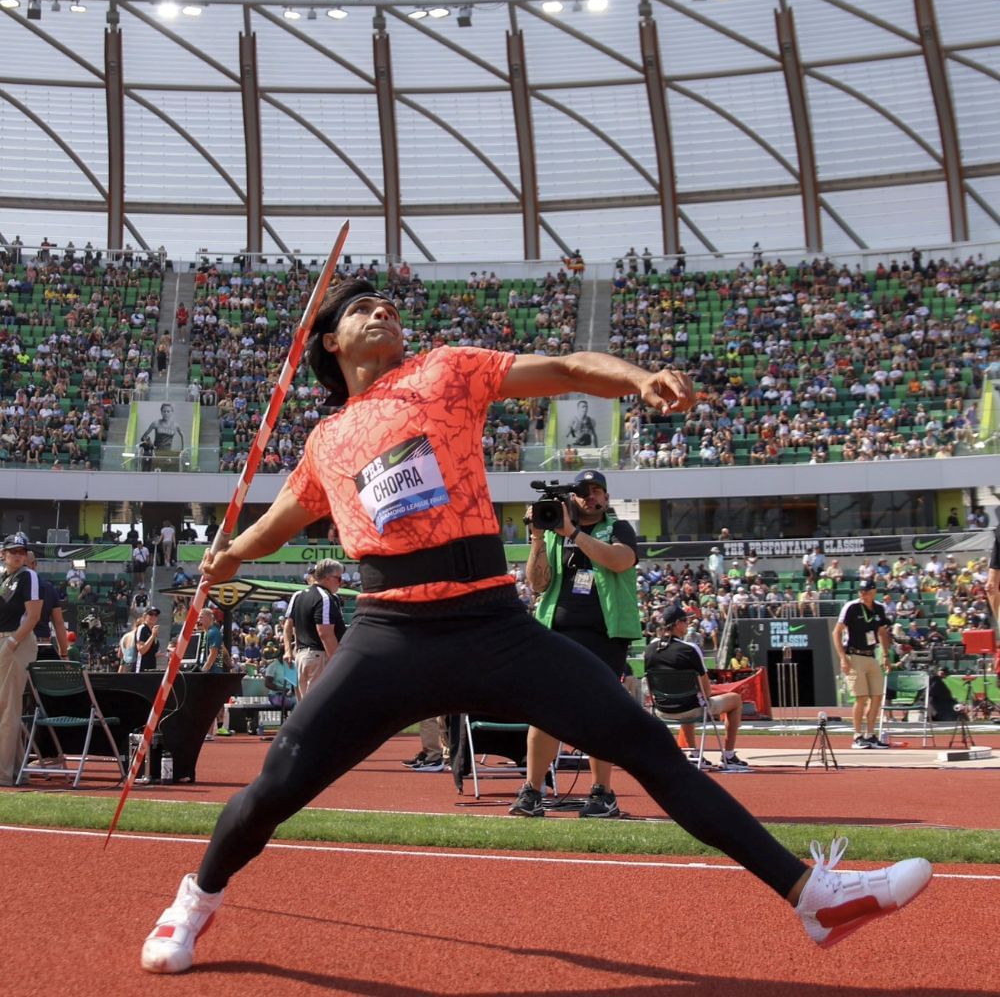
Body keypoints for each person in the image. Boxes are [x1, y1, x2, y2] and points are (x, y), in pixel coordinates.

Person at [140, 278, 931, 974]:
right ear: (328, 342)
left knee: (647, 745)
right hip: (389, 635)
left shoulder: (444, 370)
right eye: (360, 309)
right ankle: (195, 898)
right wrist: (229, 556)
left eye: (388, 305)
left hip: (492, 622)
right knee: (278, 782)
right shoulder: (324, 440)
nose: (382, 312)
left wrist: (638, 378)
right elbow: (283, 517)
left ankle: (811, 896)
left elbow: (567, 369)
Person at [512, 468, 641, 819]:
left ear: (606, 496)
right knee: (545, 712)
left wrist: (573, 532)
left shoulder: (618, 528)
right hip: (556, 632)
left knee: (600, 710)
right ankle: (532, 792)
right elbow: (537, 584)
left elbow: (620, 560)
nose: (591, 497)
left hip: (605, 635)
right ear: (573, 498)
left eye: (597, 490)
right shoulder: (554, 534)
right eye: (584, 491)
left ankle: (602, 793)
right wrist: (538, 537)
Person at [644, 607, 751, 770]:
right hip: (691, 708)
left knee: (687, 696)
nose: (688, 624)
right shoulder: (689, 649)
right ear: (678, 624)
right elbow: (706, 690)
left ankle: (694, 754)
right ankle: (729, 755)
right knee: (734, 699)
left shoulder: (650, 649)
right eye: (686, 621)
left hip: (661, 708)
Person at [832, 579, 893, 749]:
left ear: (874, 592)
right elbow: (836, 632)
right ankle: (857, 735)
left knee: (877, 697)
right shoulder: (852, 607)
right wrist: (842, 657)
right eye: (860, 591)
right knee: (861, 697)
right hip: (854, 655)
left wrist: (886, 655)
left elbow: (882, 632)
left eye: (866, 591)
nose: (862, 594)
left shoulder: (879, 608)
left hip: (871, 655)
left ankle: (871, 734)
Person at [0, 535, 41, 786]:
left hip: (17, 641)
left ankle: (3, 773)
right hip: (4, 640)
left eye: (21, 551)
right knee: (5, 707)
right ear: (3, 553)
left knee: (8, 708)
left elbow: (34, 616)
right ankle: (15, 770)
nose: (18, 555)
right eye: (13, 550)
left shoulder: (28, 576)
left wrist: (12, 643)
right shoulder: (4, 576)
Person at [282, 558, 345, 700]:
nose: (341, 582)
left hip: (301, 657)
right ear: (328, 578)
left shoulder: (298, 595)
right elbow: (325, 634)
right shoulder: (326, 597)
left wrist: (287, 650)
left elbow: (288, 623)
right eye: (339, 578)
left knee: (305, 708)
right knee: (319, 707)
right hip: (319, 657)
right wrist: (337, 662)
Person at [26, 551, 70, 660]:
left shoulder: (9, 588)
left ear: (34, 564)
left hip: (21, 645)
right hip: (41, 645)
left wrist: (64, 654)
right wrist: (64, 655)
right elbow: (59, 623)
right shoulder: (48, 588)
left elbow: (59, 623)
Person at [197, 608, 231, 739]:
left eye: (201, 617)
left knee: (209, 702)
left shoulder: (213, 632)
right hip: (211, 671)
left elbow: (213, 654)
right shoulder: (206, 633)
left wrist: (204, 669)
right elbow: (222, 650)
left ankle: (209, 732)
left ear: (208, 618)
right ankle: (211, 730)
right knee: (209, 702)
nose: (199, 620)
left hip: (212, 673)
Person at [135, 606, 161, 672]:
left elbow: (152, 652)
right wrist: (152, 636)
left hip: (152, 667)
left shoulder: (153, 630)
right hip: (142, 667)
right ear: (145, 616)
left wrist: (166, 654)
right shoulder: (142, 628)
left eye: (156, 615)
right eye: (151, 614)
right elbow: (141, 650)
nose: (153, 616)